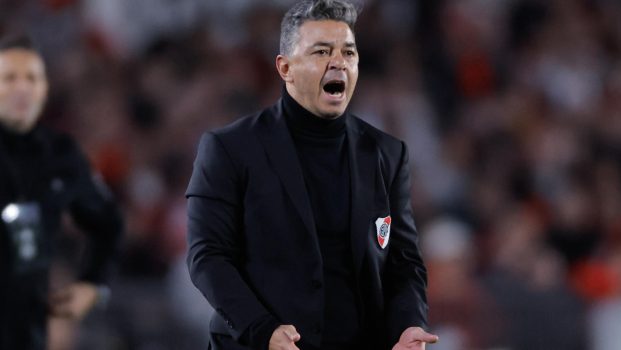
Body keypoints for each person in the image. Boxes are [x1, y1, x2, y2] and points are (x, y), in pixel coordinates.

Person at [185, 1, 438, 349]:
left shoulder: (387, 154)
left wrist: (408, 324)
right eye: (321, 51)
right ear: (285, 67)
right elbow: (208, 256)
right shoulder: (229, 149)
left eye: (348, 52)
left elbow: (404, 262)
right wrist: (262, 329)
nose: (338, 62)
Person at [0, 34, 123, 349]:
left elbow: (107, 222)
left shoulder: (61, 154)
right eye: (9, 78)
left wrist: (94, 283)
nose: (21, 88)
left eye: (32, 78)